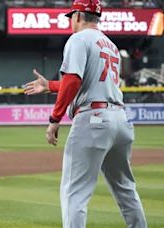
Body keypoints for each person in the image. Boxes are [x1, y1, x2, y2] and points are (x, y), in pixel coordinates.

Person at [23, 1, 147, 227]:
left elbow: (73, 81)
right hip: (120, 119)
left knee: (74, 193)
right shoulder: (110, 45)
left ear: (79, 15)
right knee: (126, 190)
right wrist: (50, 85)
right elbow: (88, 82)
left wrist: (54, 119)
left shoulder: (78, 39)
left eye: (72, 16)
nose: (71, 21)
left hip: (94, 120)